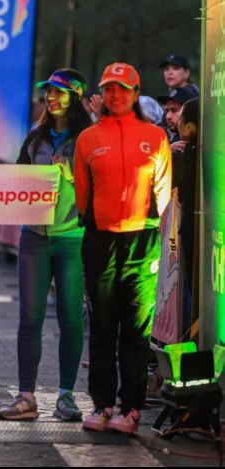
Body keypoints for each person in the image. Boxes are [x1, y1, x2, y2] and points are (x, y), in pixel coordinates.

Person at [74, 63, 171, 434]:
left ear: (135, 93)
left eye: (123, 89)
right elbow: (82, 192)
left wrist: (151, 229)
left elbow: (163, 192)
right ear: (103, 93)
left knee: (135, 330)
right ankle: (101, 405)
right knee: (101, 326)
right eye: (109, 89)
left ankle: (130, 409)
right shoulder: (88, 138)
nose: (115, 95)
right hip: (100, 240)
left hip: (142, 241)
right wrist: (98, 222)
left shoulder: (155, 137)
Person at [0, 69, 91, 422]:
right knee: (29, 318)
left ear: (75, 97)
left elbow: (98, 186)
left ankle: (66, 396)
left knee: (71, 319)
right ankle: (26, 396)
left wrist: (70, 176)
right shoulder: (35, 138)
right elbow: (17, 182)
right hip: (34, 238)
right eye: (48, 92)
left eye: (59, 92)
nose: (51, 98)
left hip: (72, 238)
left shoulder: (87, 139)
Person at [171, 98, 199, 334]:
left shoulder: (183, 155)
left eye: (180, 118)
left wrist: (167, 152)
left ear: (189, 127)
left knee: (194, 292)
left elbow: (166, 182)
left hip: (192, 232)